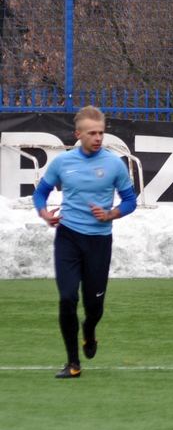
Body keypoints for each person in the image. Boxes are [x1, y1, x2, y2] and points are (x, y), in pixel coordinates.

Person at [32, 106, 137, 379]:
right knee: (67, 297)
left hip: (99, 242)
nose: (98, 137)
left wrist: (111, 214)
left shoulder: (114, 164)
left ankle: (89, 330)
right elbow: (40, 193)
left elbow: (130, 201)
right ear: (78, 134)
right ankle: (73, 363)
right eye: (92, 133)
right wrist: (45, 214)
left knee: (94, 307)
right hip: (68, 237)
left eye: (101, 132)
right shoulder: (62, 163)